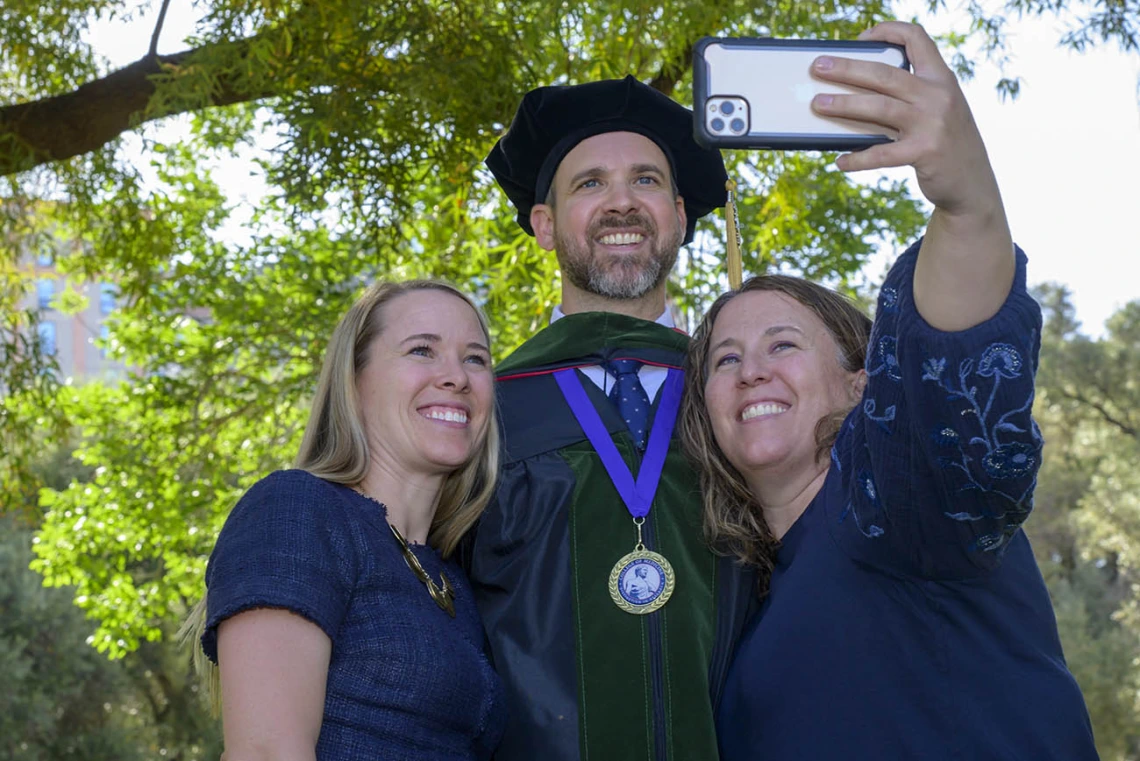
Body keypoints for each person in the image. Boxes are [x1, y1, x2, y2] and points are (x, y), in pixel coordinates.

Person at [679, 21, 1099, 760]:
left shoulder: (895, 504)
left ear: (862, 379)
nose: (751, 370)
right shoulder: (744, 600)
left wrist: (968, 206)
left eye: (784, 344)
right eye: (724, 359)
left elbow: (946, 362)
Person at [465, 76, 756, 760]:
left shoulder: (747, 400)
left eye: (646, 180)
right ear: (543, 224)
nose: (621, 200)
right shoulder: (487, 408)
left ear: (680, 215)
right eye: (590, 183)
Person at [181, 280, 507, 760]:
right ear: (353, 381)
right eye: (422, 351)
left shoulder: (451, 573)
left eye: (475, 359)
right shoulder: (298, 511)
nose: (456, 377)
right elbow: (268, 752)